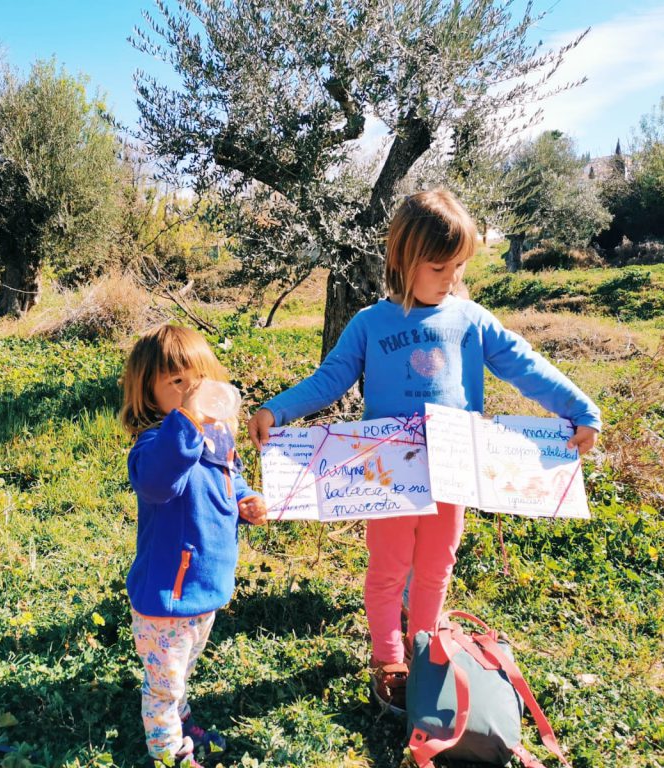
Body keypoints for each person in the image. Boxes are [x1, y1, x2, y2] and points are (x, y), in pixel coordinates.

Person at [246, 188, 600, 714]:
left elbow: (525, 366)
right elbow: (331, 379)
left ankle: (427, 642)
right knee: (388, 568)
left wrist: (579, 407)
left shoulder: (473, 320)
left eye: (458, 266)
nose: (452, 277)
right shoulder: (370, 323)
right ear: (403, 260)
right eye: (440, 267)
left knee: (437, 565)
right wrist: (277, 410)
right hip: (386, 475)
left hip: (454, 470)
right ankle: (388, 658)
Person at [120, 323, 268, 766]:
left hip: (204, 587)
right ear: (150, 395)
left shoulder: (218, 439)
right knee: (163, 682)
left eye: (197, 380)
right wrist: (185, 421)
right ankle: (168, 752)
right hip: (167, 595)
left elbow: (231, 475)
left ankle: (179, 715)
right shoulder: (154, 445)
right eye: (176, 384)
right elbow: (160, 483)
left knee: (183, 667)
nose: (190, 391)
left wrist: (245, 499)